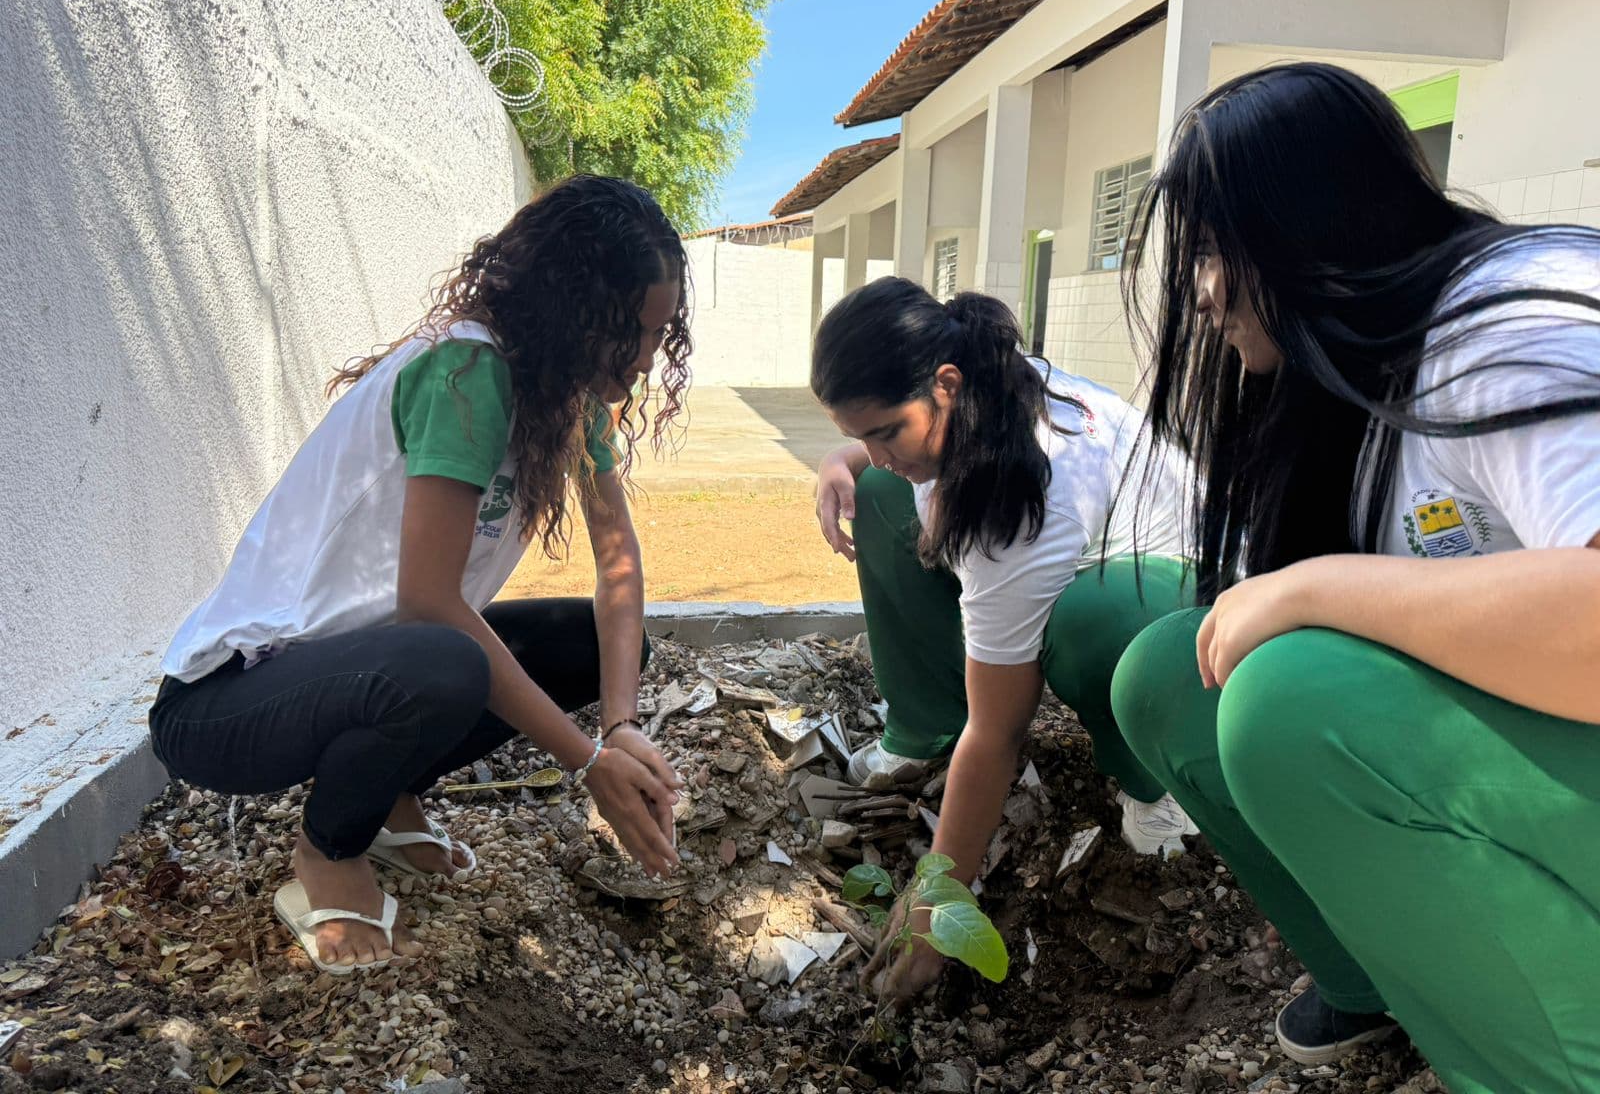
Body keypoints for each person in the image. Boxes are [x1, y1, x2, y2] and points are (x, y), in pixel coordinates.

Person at [1107, 62, 1600, 1092]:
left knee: (1292, 702)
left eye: (1209, 251)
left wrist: (1318, 586)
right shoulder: (1355, 367)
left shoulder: (1507, 329)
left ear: (1307, 231)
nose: (1200, 296)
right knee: (1173, 672)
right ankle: (1398, 980)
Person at [151, 175, 690, 975]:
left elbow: (617, 556)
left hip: (362, 671)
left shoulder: (567, 401)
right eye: (631, 335)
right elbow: (429, 604)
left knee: (585, 643)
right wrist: (587, 765)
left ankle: (390, 801)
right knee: (445, 656)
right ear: (573, 314)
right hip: (229, 703)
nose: (647, 359)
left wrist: (620, 725)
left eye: (659, 333)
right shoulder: (466, 375)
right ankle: (326, 856)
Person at [810, 276, 1195, 1000]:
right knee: (888, 495)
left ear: (946, 386)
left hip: (1187, 596)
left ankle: (1160, 788)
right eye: (860, 433)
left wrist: (935, 905)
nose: (878, 450)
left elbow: (998, 732)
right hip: (1088, 547)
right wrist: (845, 463)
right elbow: (890, 455)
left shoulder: (1023, 508)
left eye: (884, 430)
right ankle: (925, 726)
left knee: (1088, 625)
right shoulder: (984, 378)